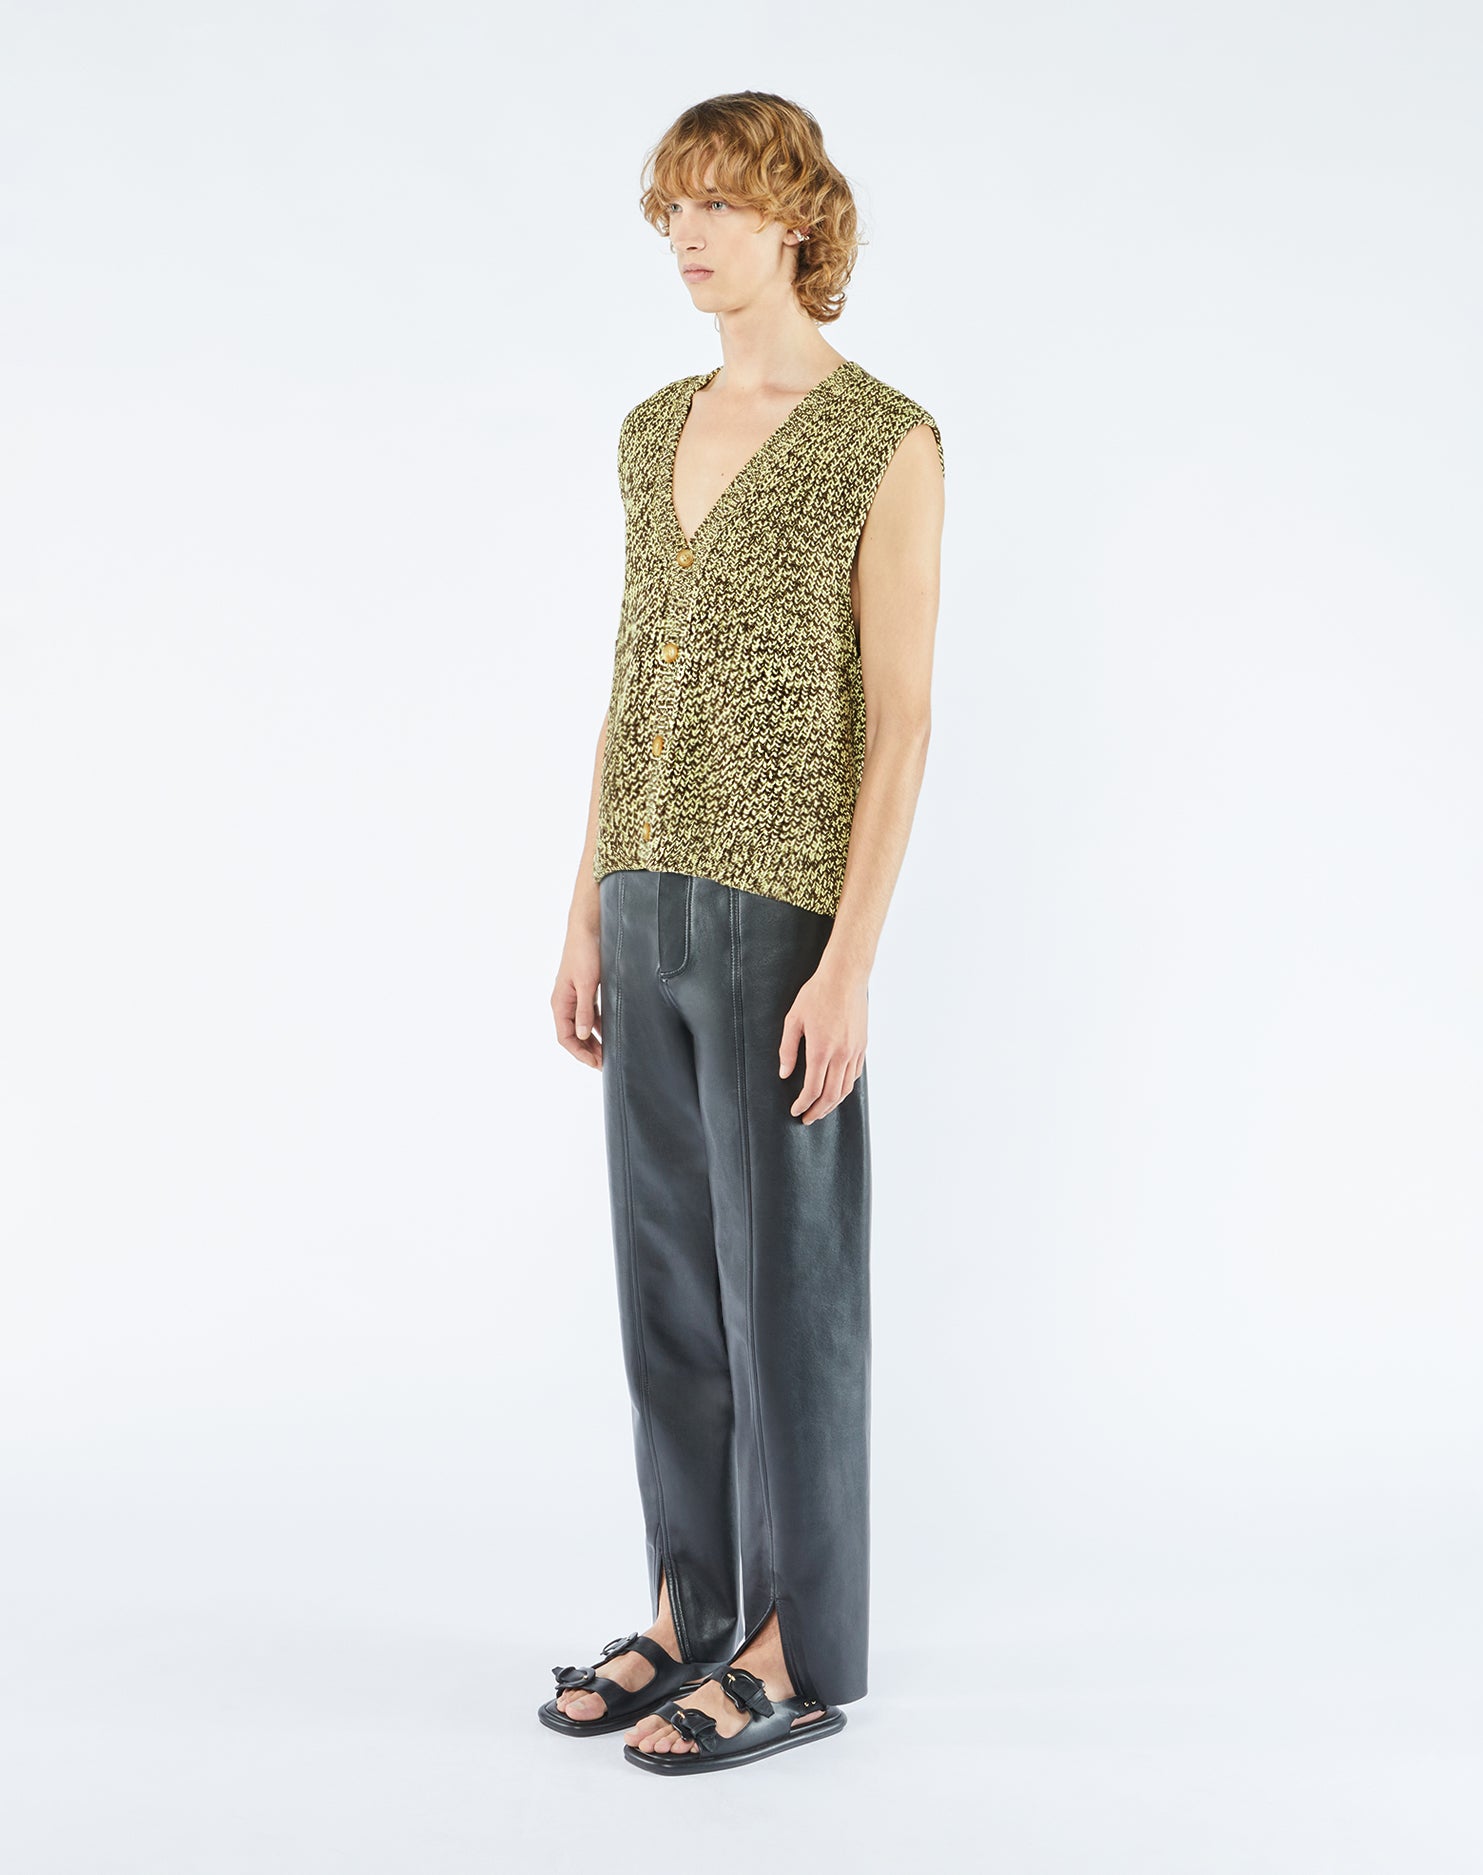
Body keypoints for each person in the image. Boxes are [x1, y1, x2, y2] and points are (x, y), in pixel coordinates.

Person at [541, 91, 944, 1775]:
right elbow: (630, 676)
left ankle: (793, 1645)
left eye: (718, 202)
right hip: (646, 897)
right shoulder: (652, 430)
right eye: (672, 209)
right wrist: (583, 907)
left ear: (795, 216)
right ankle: (690, 1605)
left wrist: (851, 962)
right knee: (667, 1288)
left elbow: (902, 720)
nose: (690, 236)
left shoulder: (884, 441)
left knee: (793, 1295)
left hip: (783, 914)